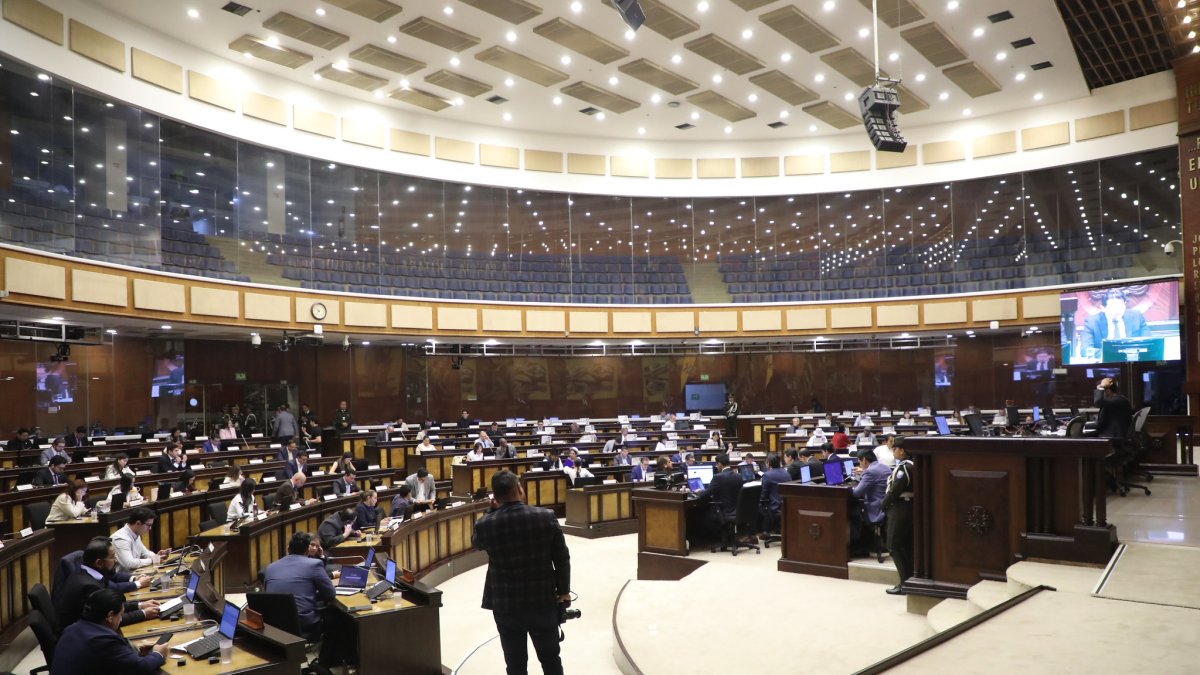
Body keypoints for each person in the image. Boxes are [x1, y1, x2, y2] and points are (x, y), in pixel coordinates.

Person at [471, 470, 571, 675]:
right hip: (542, 601)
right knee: (551, 659)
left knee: (515, 664)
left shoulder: (485, 524)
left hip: (506, 605)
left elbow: (476, 543)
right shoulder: (546, 517)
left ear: (495, 497)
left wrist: (491, 511)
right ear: (519, 489)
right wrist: (564, 591)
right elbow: (561, 559)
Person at [52, 588, 167, 674]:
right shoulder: (104, 640)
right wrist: (157, 653)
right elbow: (141, 667)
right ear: (110, 616)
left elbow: (108, 657)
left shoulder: (72, 628)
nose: (121, 619)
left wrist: (135, 651)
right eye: (120, 615)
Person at [55, 538, 160, 631]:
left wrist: (140, 605)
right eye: (113, 557)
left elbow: (110, 606)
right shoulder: (89, 587)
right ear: (99, 563)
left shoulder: (90, 574)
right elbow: (108, 621)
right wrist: (143, 613)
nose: (116, 561)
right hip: (80, 640)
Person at [262, 532, 337, 644]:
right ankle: (327, 660)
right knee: (339, 617)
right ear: (307, 551)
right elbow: (330, 594)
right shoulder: (314, 564)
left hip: (273, 623)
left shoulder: (270, 567)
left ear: (288, 549)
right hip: (302, 623)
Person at [882, 439, 914, 595]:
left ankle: (904, 583)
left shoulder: (904, 468)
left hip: (900, 508)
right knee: (904, 546)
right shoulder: (912, 465)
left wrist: (884, 504)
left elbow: (895, 491)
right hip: (907, 508)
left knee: (893, 546)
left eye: (895, 449)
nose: (893, 452)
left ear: (902, 450)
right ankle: (909, 580)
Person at [1081, 288, 1148, 355]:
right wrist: (1114, 354)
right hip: (1107, 364)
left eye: (1120, 306)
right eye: (1112, 307)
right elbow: (1085, 350)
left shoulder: (1137, 316)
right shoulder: (1092, 322)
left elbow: (1149, 344)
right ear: (1103, 308)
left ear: (1125, 304)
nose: (1117, 311)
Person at [696, 454, 745, 540]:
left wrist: (698, 492)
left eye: (716, 464)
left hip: (724, 511)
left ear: (719, 464)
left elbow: (705, 495)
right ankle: (727, 536)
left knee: (701, 515)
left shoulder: (718, 477)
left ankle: (718, 538)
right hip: (738, 510)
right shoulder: (739, 476)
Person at [852, 448, 890, 551]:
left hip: (875, 507)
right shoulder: (884, 467)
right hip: (886, 505)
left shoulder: (869, 472)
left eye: (859, 461)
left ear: (864, 459)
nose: (859, 464)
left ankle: (858, 546)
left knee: (850, 510)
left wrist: (853, 487)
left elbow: (857, 493)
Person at [111, 508, 169, 574]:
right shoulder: (121, 539)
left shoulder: (135, 533)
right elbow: (129, 564)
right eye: (148, 525)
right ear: (138, 523)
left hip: (135, 574)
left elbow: (144, 552)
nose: (150, 528)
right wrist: (151, 560)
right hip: (123, 579)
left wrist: (156, 557)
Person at [758, 453, 790, 536]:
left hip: (774, 507)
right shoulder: (786, 473)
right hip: (786, 506)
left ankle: (764, 531)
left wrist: (759, 502)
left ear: (768, 463)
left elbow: (764, 495)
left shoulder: (767, 475)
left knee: (757, 505)